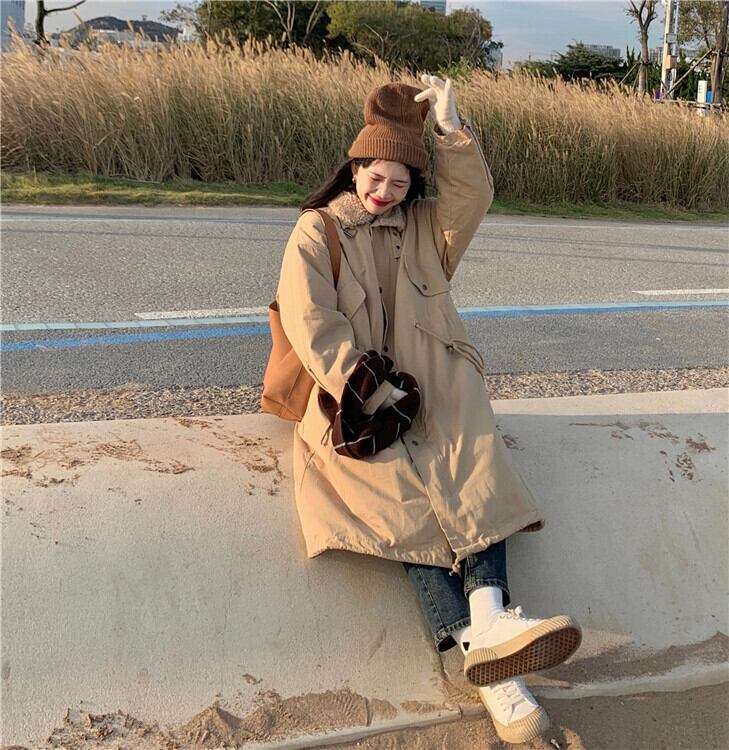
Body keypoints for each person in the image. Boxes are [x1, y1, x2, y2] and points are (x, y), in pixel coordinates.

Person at [276, 75, 581, 744]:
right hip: (352, 398)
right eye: (374, 177)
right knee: (402, 506)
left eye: (399, 182)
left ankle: (491, 621)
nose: (384, 192)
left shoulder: (428, 227)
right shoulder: (315, 231)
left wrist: (449, 127)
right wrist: (366, 388)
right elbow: (310, 322)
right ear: (354, 168)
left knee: (475, 469)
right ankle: (492, 667)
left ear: (414, 185)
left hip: (435, 383)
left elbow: (473, 195)